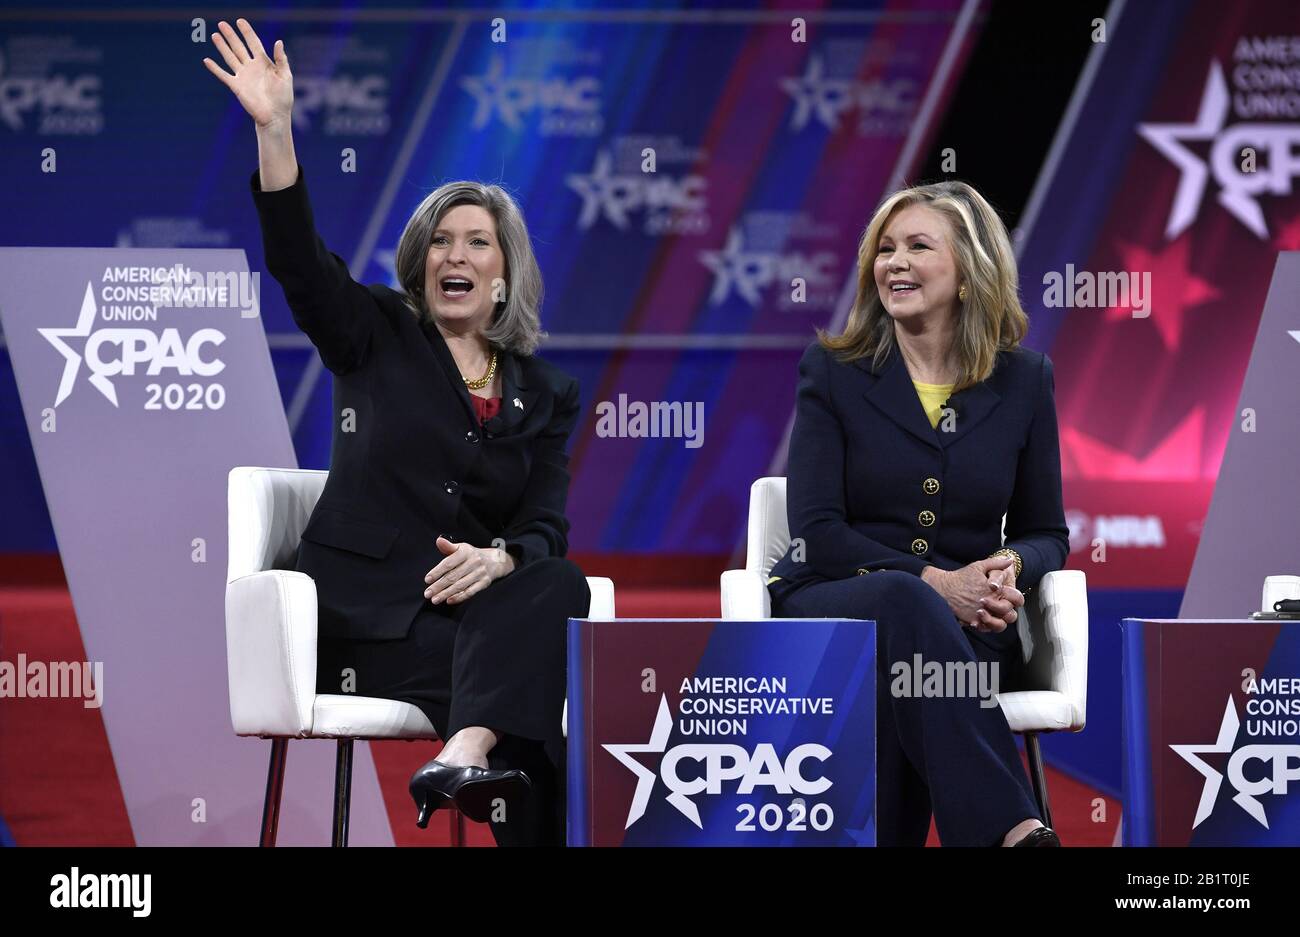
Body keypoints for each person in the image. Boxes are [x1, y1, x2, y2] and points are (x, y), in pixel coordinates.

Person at [205, 18, 589, 846]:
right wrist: (276, 130)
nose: (457, 253)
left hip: (463, 620)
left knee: (560, 584)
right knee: (538, 709)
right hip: (360, 621)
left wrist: (504, 556)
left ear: (503, 274)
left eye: (477, 242)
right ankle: (472, 745)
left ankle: (465, 747)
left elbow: (546, 526)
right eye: (441, 242)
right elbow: (302, 266)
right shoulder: (375, 332)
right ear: (421, 265)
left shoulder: (548, 391)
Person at [767, 180, 1070, 847]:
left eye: (918, 246)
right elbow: (817, 534)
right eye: (886, 248)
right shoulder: (834, 370)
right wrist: (939, 584)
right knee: (904, 603)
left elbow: (1048, 531)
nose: (894, 262)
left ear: (968, 271)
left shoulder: (1024, 380)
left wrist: (1009, 563)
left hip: (964, 632)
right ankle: (1013, 830)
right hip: (834, 601)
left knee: (902, 667)